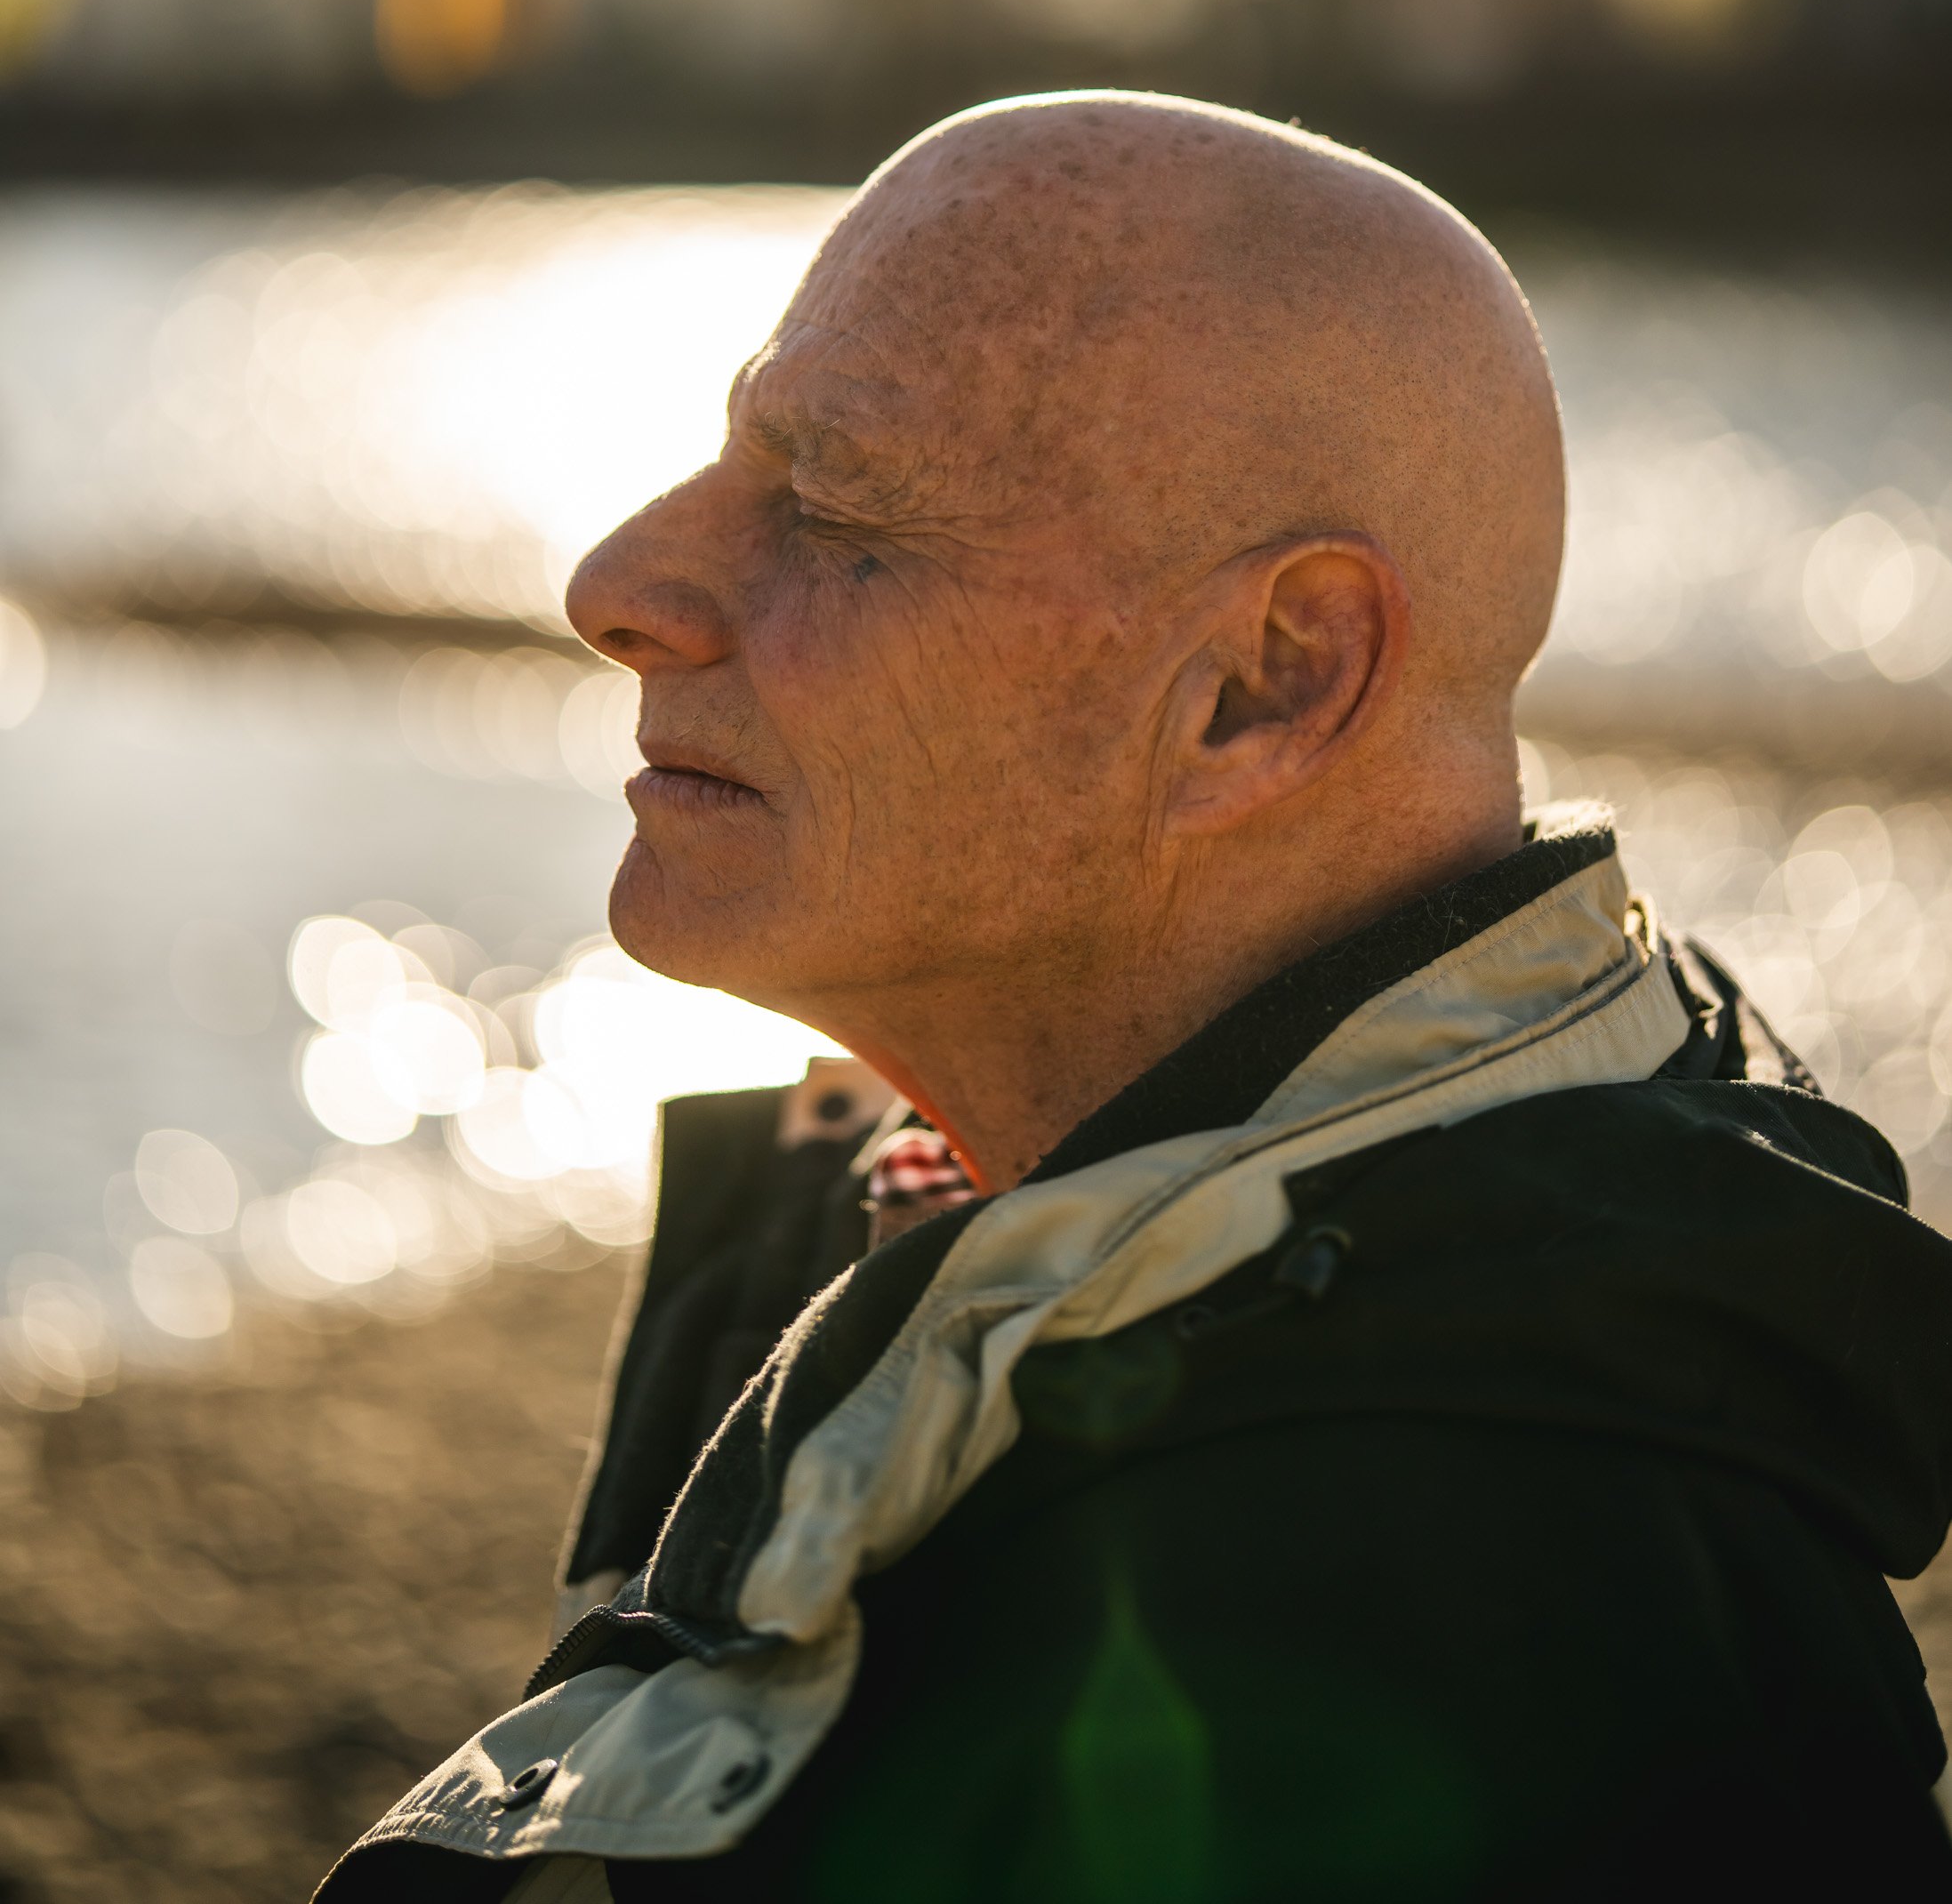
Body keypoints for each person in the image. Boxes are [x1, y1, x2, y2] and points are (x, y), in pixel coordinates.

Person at [317, 94, 1952, 1901]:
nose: (616, 584)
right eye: (729, 459)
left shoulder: (1449, 1629)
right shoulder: (999, 1199)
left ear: (1269, 681)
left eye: (840, 502)